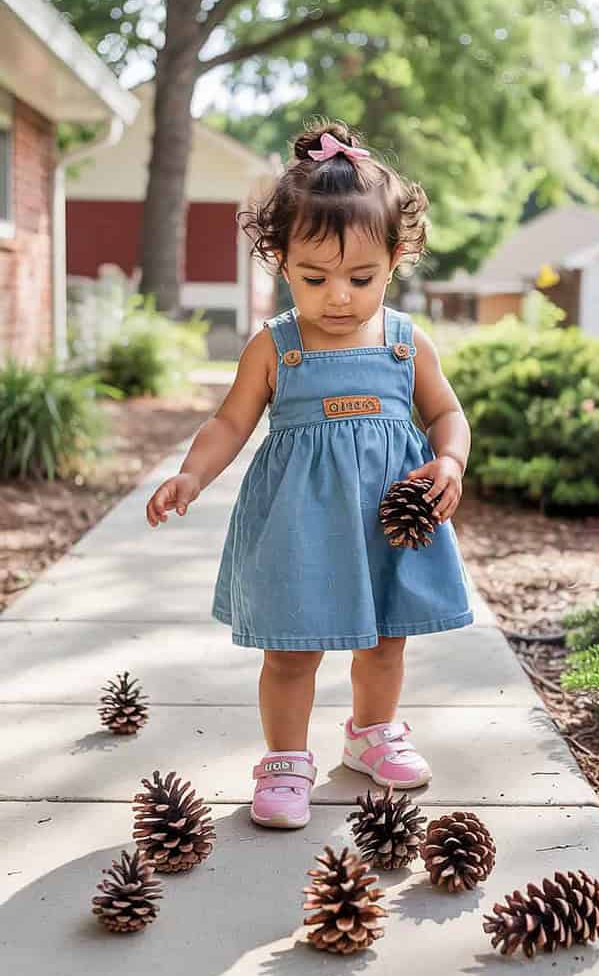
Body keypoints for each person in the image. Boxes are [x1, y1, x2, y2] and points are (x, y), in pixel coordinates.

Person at [145, 121, 474, 830]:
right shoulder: (275, 346)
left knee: (387, 639)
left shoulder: (404, 342)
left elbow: (447, 412)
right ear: (279, 261)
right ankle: (286, 760)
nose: (338, 296)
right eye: (313, 277)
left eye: (361, 278)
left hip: (388, 520)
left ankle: (371, 733)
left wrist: (447, 459)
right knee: (292, 650)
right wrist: (191, 476)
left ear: (395, 257)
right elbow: (229, 422)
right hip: (298, 524)